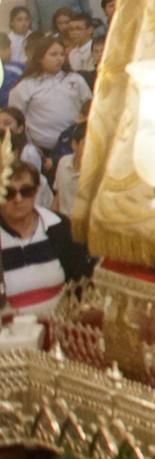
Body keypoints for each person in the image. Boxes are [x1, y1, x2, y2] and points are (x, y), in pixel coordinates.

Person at [0, 160, 87, 316]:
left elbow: (82, 283)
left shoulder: (60, 228)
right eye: (9, 193)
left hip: (59, 330)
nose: (18, 199)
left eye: (26, 191)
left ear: (36, 191)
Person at [8, 39, 91, 156]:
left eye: (62, 54)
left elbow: (90, 108)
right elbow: (16, 117)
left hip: (73, 147)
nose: (59, 58)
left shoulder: (76, 80)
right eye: (53, 54)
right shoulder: (26, 85)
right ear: (40, 58)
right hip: (39, 150)